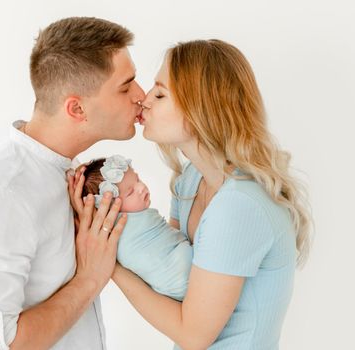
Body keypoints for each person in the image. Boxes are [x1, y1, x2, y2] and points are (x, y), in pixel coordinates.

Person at [72, 40, 312, 349]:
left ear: (201, 108)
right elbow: (164, 272)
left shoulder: (239, 206)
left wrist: (108, 265)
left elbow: (192, 334)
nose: (144, 100)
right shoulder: (191, 180)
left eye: (160, 94)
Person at [0, 17, 144, 350]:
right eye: (126, 87)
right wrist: (89, 280)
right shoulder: (3, 193)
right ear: (77, 108)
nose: (141, 95)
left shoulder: (68, 175)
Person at [75, 154, 193, 301]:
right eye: (130, 192)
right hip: (183, 272)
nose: (141, 187)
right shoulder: (119, 227)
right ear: (107, 209)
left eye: (138, 179)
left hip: (172, 288)